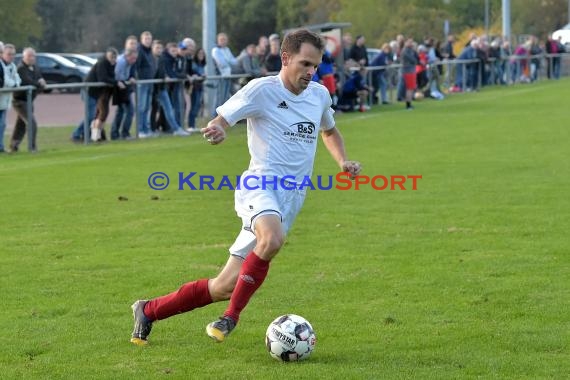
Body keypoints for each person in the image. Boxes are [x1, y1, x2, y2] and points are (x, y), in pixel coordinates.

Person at [130, 29, 362, 346]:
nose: (311, 72)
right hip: (259, 186)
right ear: (286, 58)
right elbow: (223, 118)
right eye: (305, 64)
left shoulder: (319, 95)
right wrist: (217, 129)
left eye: (315, 66)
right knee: (273, 238)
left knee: (225, 284)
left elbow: (330, 132)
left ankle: (148, 310)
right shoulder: (261, 90)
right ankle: (230, 317)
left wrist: (343, 161)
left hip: (292, 197)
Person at [10, 47, 46, 152]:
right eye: (29, 56)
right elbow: (28, 82)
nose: (31, 58)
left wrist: (41, 82)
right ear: (24, 57)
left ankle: (14, 146)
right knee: (32, 123)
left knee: (20, 124)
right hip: (19, 101)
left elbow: (40, 78)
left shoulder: (35, 67)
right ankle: (32, 147)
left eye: (33, 56)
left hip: (29, 100)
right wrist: (39, 84)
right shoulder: (21, 68)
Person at [111, 48, 138, 140]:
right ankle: (122, 133)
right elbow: (118, 76)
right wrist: (126, 80)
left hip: (124, 86)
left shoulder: (128, 62)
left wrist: (130, 78)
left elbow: (126, 75)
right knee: (128, 111)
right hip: (119, 88)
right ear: (127, 56)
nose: (134, 61)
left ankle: (116, 134)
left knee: (122, 111)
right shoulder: (121, 62)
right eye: (133, 58)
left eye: (135, 59)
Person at [0, 44, 21, 153]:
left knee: (2, 125)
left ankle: (0, 147)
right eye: (9, 54)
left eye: (13, 54)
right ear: (3, 54)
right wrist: (14, 85)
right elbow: (5, 82)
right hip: (2, 98)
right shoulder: (1, 66)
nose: (11, 56)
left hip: (4, 101)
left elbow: (17, 79)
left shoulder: (12, 66)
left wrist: (15, 84)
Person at [135, 31, 156, 138]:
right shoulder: (140, 50)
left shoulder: (149, 51)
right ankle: (140, 130)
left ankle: (146, 129)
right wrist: (139, 79)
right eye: (146, 39)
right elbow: (137, 66)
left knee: (147, 107)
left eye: (150, 39)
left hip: (150, 82)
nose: (148, 41)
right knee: (141, 107)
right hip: (142, 83)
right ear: (141, 40)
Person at [211, 33, 237, 116]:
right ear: (218, 41)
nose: (223, 41)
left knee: (225, 98)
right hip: (220, 76)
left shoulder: (227, 49)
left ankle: (221, 116)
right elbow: (222, 63)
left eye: (225, 39)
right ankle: (214, 116)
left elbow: (234, 62)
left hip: (227, 75)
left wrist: (228, 61)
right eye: (221, 40)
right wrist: (228, 61)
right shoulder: (215, 50)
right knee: (219, 97)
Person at [187, 47, 206, 131]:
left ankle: (193, 125)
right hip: (194, 87)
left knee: (197, 106)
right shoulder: (193, 63)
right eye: (199, 53)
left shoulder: (201, 64)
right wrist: (199, 76)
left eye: (202, 54)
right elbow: (193, 73)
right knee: (194, 106)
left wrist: (203, 76)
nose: (201, 55)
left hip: (200, 87)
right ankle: (191, 126)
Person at [401, 38, 418, 110]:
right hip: (408, 71)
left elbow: (416, 58)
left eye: (412, 42)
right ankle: (408, 104)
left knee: (411, 88)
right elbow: (413, 60)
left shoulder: (411, 50)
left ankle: (409, 103)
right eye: (409, 42)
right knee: (409, 88)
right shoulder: (405, 51)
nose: (411, 44)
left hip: (411, 71)